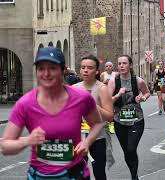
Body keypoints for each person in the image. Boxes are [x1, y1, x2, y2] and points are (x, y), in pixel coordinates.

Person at [0, 47, 105, 179]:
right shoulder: (25, 104)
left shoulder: (81, 98)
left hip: (74, 174)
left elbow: (97, 123)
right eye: (41, 69)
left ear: (63, 70)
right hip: (40, 176)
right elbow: (5, 146)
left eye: (52, 68)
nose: (46, 73)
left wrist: (87, 142)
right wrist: (27, 140)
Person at [108, 55, 150, 180]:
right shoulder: (113, 81)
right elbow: (107, 101)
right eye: (119, 63)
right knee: (126, 151)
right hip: (119, 121)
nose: (121, 66)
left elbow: (147, 92)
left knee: (131, 149)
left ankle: (134, 176)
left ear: (130, 65)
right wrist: (118, 95)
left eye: (124, 63)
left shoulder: (138, 81)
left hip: (136, 120)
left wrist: (142, 98)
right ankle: (133, 173)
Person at [73, 55, 114, 180]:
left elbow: (110, 116)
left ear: (96, 71)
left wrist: (92, 104)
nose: (85, 70)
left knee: (99, 173)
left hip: (98, 138)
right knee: (79, 174)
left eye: (89, 68)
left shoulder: (102, 89)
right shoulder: (74, 88)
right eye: (83, 67)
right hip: (78, 137)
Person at [100, 61, 118, 134]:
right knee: (107, 110)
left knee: (114, 109)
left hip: (114, 94)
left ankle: (112, 124)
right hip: (105, 94)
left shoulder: (116, 74)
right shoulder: (103, 74)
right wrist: (105, 82)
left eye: (110, 66)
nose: (108, 67)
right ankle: (107, 124)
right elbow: (99, 84)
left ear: (112, 67)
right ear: (105, 67)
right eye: (107, 66)